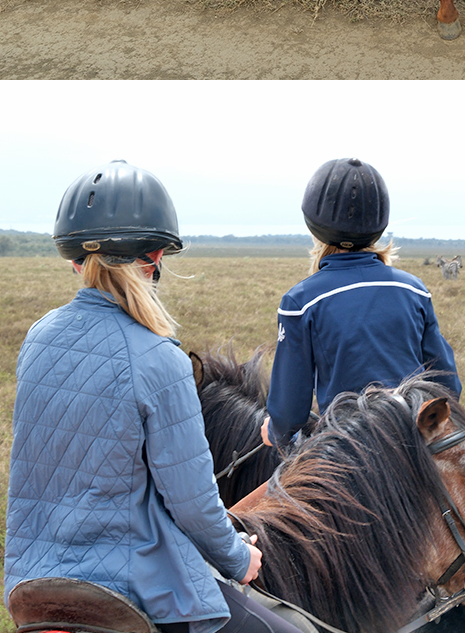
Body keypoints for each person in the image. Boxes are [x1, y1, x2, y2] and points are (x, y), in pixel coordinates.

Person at [3, 160, 294, 633]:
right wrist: (239, 558)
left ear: (77, 261)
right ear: (155, 258)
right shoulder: (160, 359)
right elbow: (194, 505)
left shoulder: (38, 338)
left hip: (34, 580)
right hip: (128, 586)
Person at [261, 157, 460, 452]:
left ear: (314, 224)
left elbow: (290, 412)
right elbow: (448, 385)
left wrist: (275, 431)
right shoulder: (413, 289)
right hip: (416, 446)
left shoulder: (300, 302)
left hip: (350, 452)